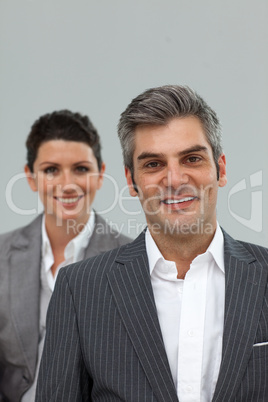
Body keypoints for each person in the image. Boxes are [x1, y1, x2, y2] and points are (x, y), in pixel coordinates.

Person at [35, 87, 268, 402]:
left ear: (220, 169)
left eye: (192, 158)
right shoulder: (79, 290)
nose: (174, 179)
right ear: (131, 181)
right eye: (153, 164)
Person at [0, 110, 131, 402]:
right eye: (51, 170)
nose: (67, 183)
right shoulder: (2, 257)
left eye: (81, 169)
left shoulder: (133, 260)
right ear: (31, 177)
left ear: (100, 174)